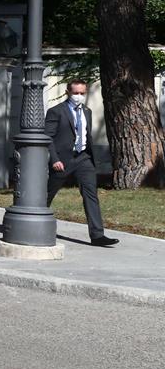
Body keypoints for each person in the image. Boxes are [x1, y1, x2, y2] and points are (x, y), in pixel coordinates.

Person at [46, 80, 119, 246]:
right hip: (63, 160)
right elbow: (48, 137)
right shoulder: (56, 112)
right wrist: (55, 159)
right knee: (47, 194)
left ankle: (97, 235)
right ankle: (34, 222)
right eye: (75, 93)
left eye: (82, 93)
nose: (78, 96)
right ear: (67, 92)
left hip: (84, 158)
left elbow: (85, 134)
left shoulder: (87, 111)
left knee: (90, 194)